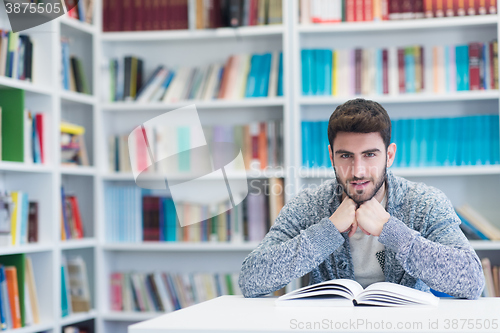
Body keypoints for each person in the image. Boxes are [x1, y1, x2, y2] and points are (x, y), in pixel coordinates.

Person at [238, 98, 484, 299]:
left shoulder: (424, 203)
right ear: (331, 157)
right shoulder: (309, 206)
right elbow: (251, 279)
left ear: (389, 156)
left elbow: (472, 281)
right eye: (346, 156)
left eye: (369, 155)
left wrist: (392, 231)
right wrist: (328, 230)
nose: (358, 171)